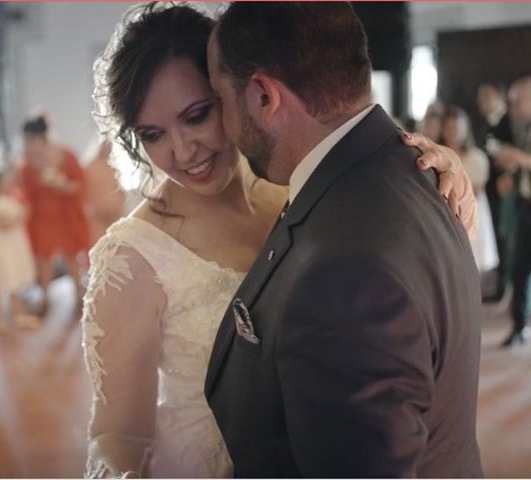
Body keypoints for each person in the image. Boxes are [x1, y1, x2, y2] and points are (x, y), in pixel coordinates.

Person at [82, 4, 478, 478]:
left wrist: (426, 169)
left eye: (198, 115)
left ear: (239, 95)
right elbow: (117, 435)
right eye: (153, 134)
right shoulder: (132, 258)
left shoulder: (302, 188)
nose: (183, 150)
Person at [204, 3, 482, 477]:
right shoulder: (401, 169)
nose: (220, 128)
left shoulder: (345, 279)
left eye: (219, 100)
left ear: (263, 96)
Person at [18, 114, 90, 316]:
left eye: (30, 140)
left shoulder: (67, 156)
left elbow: (80, 186)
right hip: (41, 218)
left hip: (66, 215)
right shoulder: (27, 164)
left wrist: (61, 184)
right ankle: (44, 297)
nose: (29, 145)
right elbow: (25, 192)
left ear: (40, 138)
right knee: (43, 259)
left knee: (72, 257)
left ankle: (79, 296)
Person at [494, 76, 531, 346]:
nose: (513, 106)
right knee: (519, 267)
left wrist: (517, 158)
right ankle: (519, 327)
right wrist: (511, 173)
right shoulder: (525, 129)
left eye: (517, 100)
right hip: (525, 205)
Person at [440, 106, 499, 272]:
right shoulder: (439, 155)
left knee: (472, 260)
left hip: (469, 210)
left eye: (457, 128)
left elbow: (476, 189)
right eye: (450, 128)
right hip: (444, 211)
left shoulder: (476, 157)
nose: (454, 133)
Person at [0, 170, 40, 333]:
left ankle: (19, 315)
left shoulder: (9, 200)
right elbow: (4, 224)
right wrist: (22, 214)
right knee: (1, 284)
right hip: (3, 250)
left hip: (13, 247)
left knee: (12, 283)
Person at [475, 83, 515, 302]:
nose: (481, 102)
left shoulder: (509, 121)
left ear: (498, 98)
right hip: (486, 187)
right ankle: (497, 284)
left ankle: (504, 285)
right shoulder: (480, 124)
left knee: (505, 236)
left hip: (505, 188)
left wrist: (508, 175)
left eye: (486, 97)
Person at [84, 140, 125, 245]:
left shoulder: (113, 170)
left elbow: (120, 192)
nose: (107, 150)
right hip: (97, 218)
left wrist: (119, 208)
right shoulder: (89, 168)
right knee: (99, 246)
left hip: (114, 216)